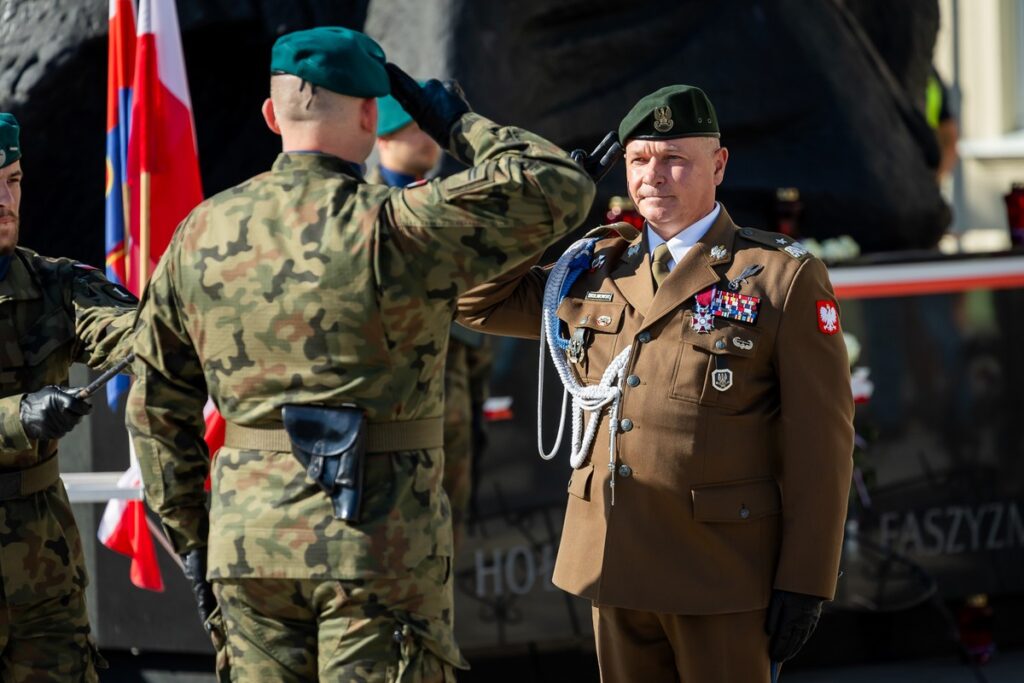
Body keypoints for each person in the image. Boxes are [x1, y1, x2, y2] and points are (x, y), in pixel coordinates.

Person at [125, 26, 595, 681]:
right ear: (372, 116)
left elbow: (154, 404)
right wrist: (455, 121)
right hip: (378, 551)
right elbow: (558, 185)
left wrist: (196, 542)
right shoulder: (399, 227)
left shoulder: (200, 232)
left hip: (248, 547)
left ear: (271, 114)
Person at [458, 85, 854, 681]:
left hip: (721, 573)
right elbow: (475, 301)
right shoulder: (594, 267)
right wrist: (548, 205)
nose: (654, 177)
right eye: (639, 159)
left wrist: (806, 580)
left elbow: (821, 445)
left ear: (718, 165)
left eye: (674, 159)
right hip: (614, 564)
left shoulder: (779, 277)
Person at [0, 112, 138, 680]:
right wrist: (21, 416)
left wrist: (172, 324)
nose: (4, 199)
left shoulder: (54, 283)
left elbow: (122, 328)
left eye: (13, 180)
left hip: (42, 572)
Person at [368, 92, 493, 552]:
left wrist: (475, 388)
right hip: (384, 408)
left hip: (449, 402)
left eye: (430, 128)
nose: (428, 139)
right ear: (381, 135)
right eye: (413, 127)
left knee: (444, 537)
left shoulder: (453, 209)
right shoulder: (356, 209)